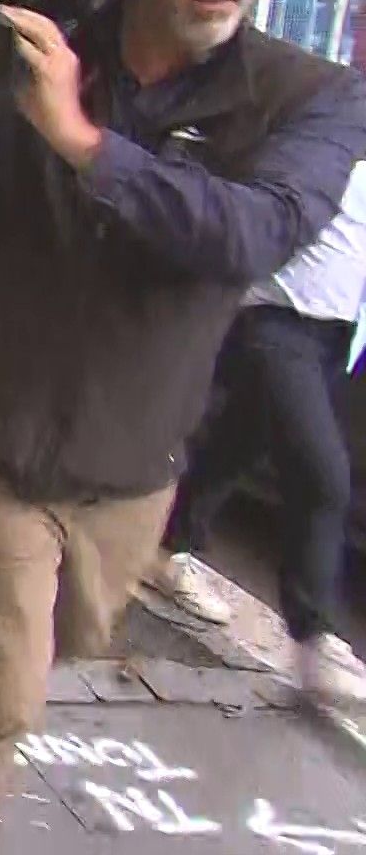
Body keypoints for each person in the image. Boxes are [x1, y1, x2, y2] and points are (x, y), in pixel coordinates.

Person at [0, 0, 366, 855]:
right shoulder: (32, 55)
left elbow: (252, 234)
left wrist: (84, 143)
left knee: (64, 639)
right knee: (4, 696)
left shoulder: (309, 98)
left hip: (135, 457)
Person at [148, 160, 366, 703]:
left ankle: (167, 545)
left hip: (331, 332)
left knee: (238, 444)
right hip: (276, 314)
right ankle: (313, 637)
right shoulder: (329, 128)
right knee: (323, 473)